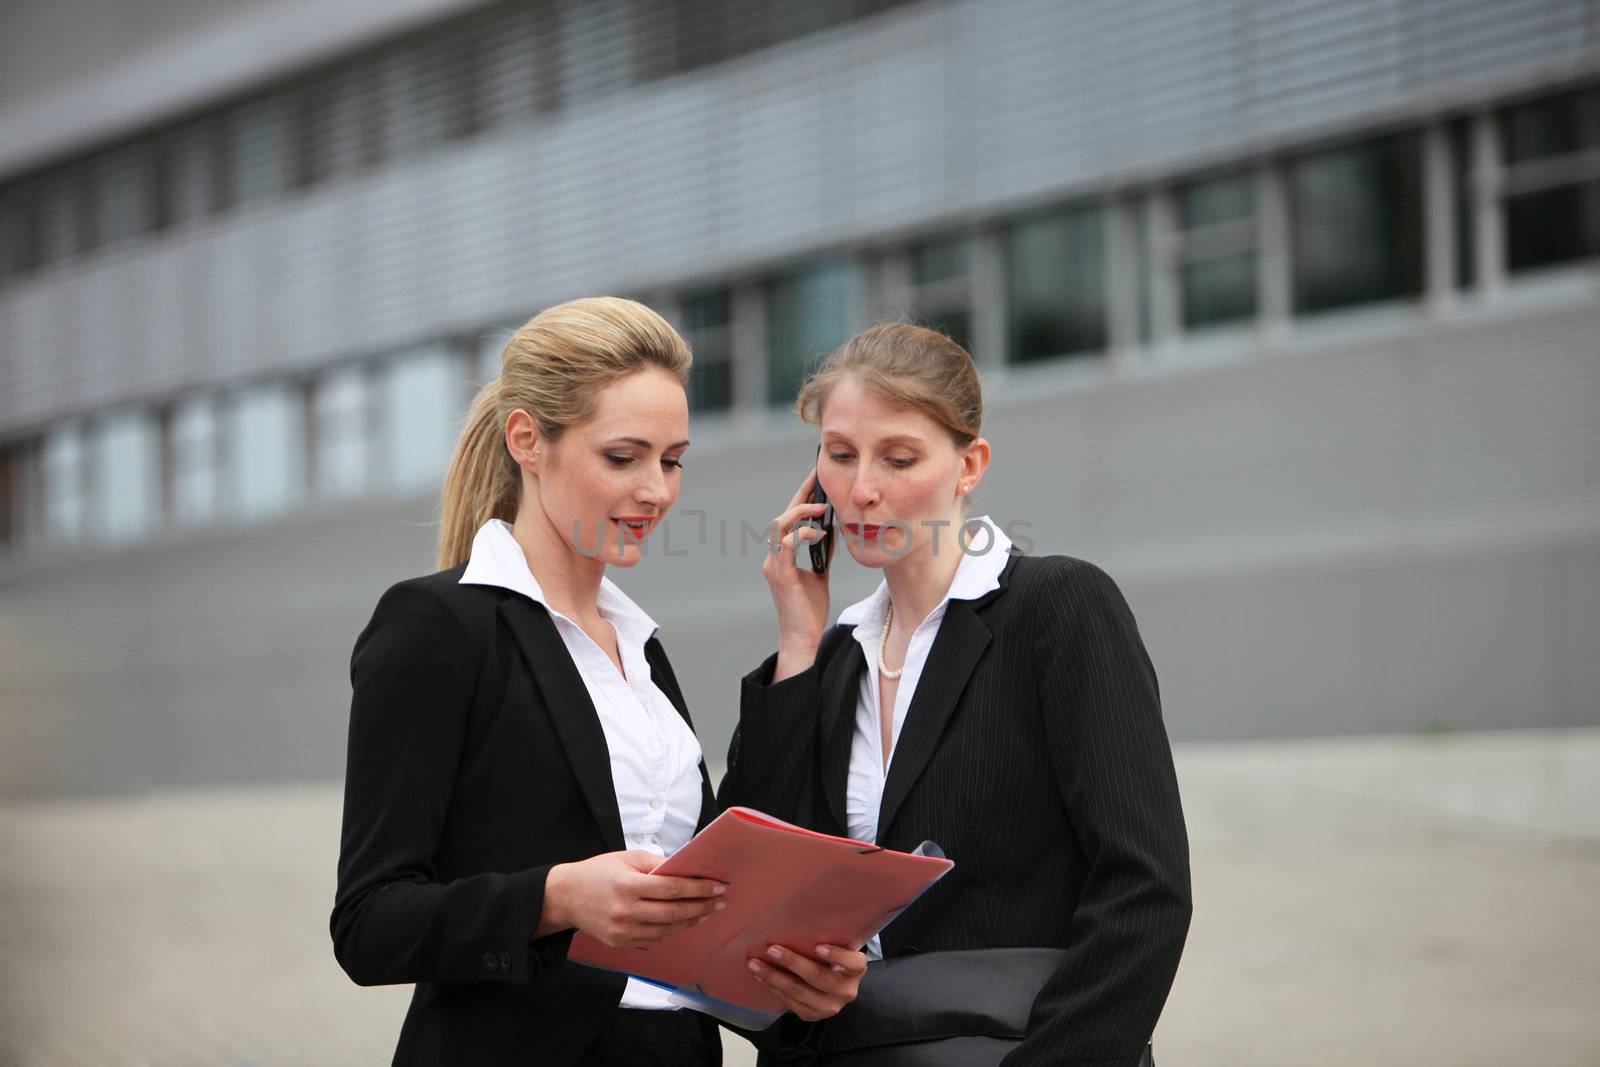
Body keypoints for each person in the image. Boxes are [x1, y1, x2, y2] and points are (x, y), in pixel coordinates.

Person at [331, 297, 865, 1067]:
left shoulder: (640, 649)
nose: (658, 490)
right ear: (528, 440)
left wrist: (797, 636)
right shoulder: (438, 627)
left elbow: (719, 875)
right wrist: (555, 898)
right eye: (624, 456)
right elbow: (369, 924)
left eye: (672, 458)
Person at [719, 323, 1192, 1066]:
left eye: (898, 457)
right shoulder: (830, 658)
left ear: (969, 465)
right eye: (839, 455)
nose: (862, 489)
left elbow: (1145, 889)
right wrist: (800, 640)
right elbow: (749, 892)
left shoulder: (1057, 607)